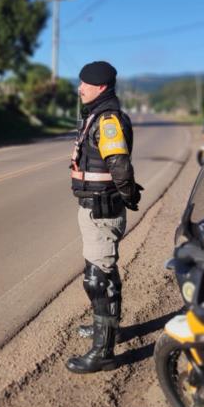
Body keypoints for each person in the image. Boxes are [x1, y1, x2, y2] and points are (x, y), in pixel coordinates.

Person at [67, 60, 142, 374]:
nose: (79, 88)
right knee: (98, 273)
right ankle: (108, 330)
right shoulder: (96, 115)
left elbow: (120, 167)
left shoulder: (108, 119)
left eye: (84, 84)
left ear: (100, 87)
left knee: (99, 281)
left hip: (103, 209)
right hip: (94, 207)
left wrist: (126, 196)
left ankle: (104, 350)